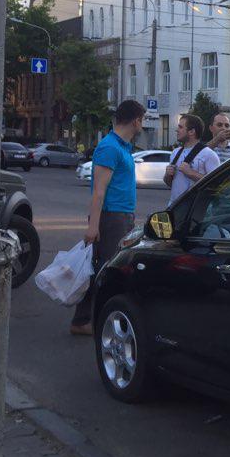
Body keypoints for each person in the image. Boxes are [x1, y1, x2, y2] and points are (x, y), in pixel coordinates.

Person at [70, 100, 146, 336]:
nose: (142, 124)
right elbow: (99, 191)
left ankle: (86, 319)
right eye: (142, 120)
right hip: (111, 218)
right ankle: (84, 320)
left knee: (105, 269)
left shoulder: (122, 146)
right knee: (106, 270)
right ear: (136, 120)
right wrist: (93, 226)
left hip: (121, 216)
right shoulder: (109, 147)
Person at [164, 114, 220, 205]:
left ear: (191, 132)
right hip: (174, 207)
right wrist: (167, 175)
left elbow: (216, 184)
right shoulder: (175, 153)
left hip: (195, 210)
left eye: (180, 127)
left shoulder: (208, 154)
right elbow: (169, 183)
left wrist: (191, 173)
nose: (177, 130)